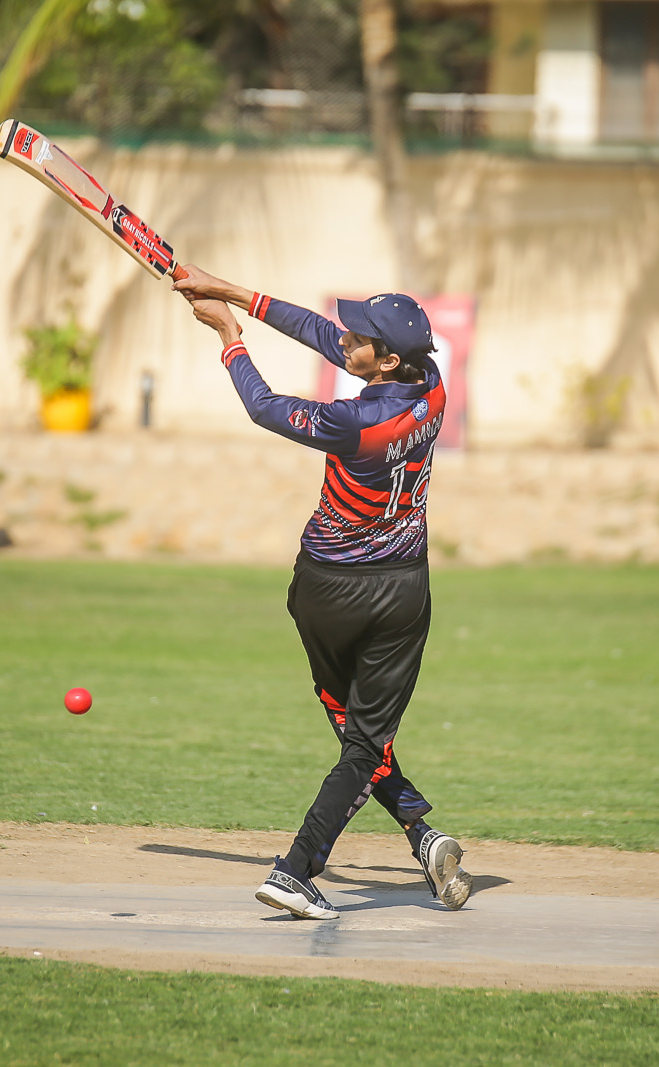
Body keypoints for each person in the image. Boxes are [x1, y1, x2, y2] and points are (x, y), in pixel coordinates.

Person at [175, 265, 473, 920]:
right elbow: (320, 334)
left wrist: (229, 337)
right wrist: (230, 292)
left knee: (351, 724)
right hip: (397, 593)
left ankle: (418, 834)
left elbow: (264, 407)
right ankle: (297, 869)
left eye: (358, 337)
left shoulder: (352, 422)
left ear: (386, 360)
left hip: (320, 589)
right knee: (364, 739)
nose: (344, 338)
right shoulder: (431, 387)